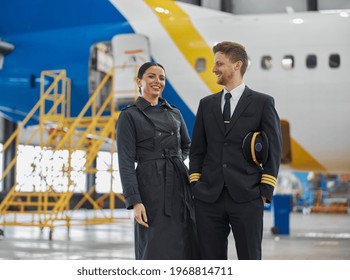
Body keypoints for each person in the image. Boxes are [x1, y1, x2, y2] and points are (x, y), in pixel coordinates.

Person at [189, 41, 282, 260]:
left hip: (247, 196)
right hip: (209, 197)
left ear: (237, 65)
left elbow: (274, 150)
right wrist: (196, 184)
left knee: (250, 259)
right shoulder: (206, 105)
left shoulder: (262, 103)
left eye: (219, 63)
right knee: (210, 262)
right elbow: (197, 150)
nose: (214, 69)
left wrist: (264, 192)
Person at [116, 62, 198, 260]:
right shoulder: (129, 116)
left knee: (185, 244)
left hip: (179, 186)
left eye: (161, 78)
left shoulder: (174, 113)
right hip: (150, 187)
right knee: (154, 246)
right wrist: (135, 201)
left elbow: (187, 146)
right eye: (151, 76)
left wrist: (175, 161)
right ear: (139, 81)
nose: (157, 81)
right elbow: (125, 162)